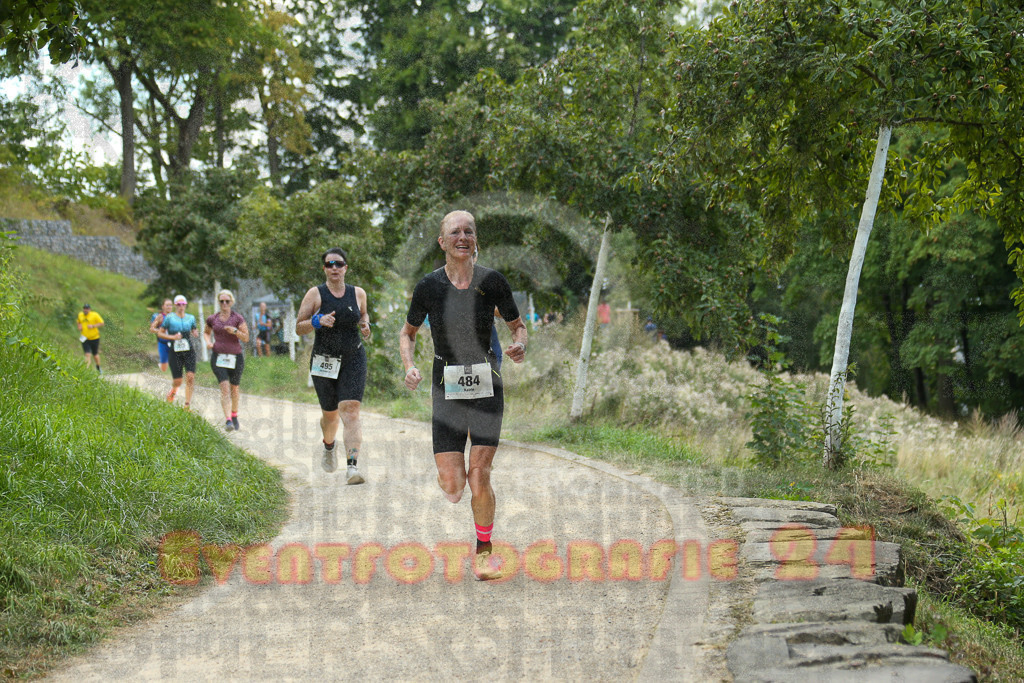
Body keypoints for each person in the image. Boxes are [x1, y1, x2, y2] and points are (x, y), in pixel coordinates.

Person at [399, 210, 527, 581]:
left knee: (479, 474)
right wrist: (409, 367)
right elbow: (406, 333)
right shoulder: (428, 287)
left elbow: (517, 327)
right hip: (446, 384)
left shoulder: (493, 282)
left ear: (475, 240)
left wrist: (519, 345)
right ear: (442, 242)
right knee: (453, 485)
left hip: (487, 381)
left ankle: (484, 551)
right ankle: (453, 486)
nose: (463, 236)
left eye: (469, 231)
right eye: (455, 231)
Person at [295, 248, 372, 484]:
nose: (334, 268)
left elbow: (364, 315)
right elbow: (299, 326)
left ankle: (352, 467)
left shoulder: (358, 293)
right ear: (324, 269)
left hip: (353, 358)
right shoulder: (315, 294)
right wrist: (317, 320)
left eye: (339, 264)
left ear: (346, 268)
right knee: (330, 417)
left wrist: (366, 325)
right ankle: (329, 446)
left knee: (350, 409)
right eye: (329, 264)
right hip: (324, 361)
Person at [205, 289, 249, 431]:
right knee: (224, 388)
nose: (224, 303)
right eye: (221, 301)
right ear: (218, 302)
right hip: (218, 357)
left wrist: (235, 331)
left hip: (235, 357)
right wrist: (208, 342)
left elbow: (246, 338)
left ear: (231, 302)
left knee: (234, 389)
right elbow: (206, 332)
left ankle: (234, 415)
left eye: (227, 301)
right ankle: (228, 420)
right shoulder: (213, 318)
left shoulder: (237, 318)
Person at [158, 294, 199, 410]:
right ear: (176, 305)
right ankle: (173, 391)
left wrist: (196, 333)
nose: (181, 307)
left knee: (190, 376)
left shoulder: (191, 318)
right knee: (178, 380)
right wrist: (172, 337)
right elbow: (160, 333)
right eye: (179, 304)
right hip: (175, 352)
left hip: (189, 350)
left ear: (185, 305)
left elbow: (194, 330)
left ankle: (187, 405)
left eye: (183, 304)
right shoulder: (170, 318)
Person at [76, 303, 105, 373]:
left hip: (94, 338)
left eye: (87, 309)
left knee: (95, 354)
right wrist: (79, 326)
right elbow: (78, 321)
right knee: (87, 354)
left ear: (90, 309)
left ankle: (98, 367)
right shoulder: (80, 315)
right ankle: (86, 370)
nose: (85, 310)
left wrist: (93, 326)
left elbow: (102, 323)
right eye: (84, 308)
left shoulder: (94, 315)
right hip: (84, 338)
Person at [149, 298, 174, 372]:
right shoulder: (160, 317)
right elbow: (152, 329)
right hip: (163, 343)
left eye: (170, 305)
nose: (169, 307)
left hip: (174, 342)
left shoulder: (175, 316)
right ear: (163, 306)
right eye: (167, 305)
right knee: (164, 367)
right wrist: (160, 331)